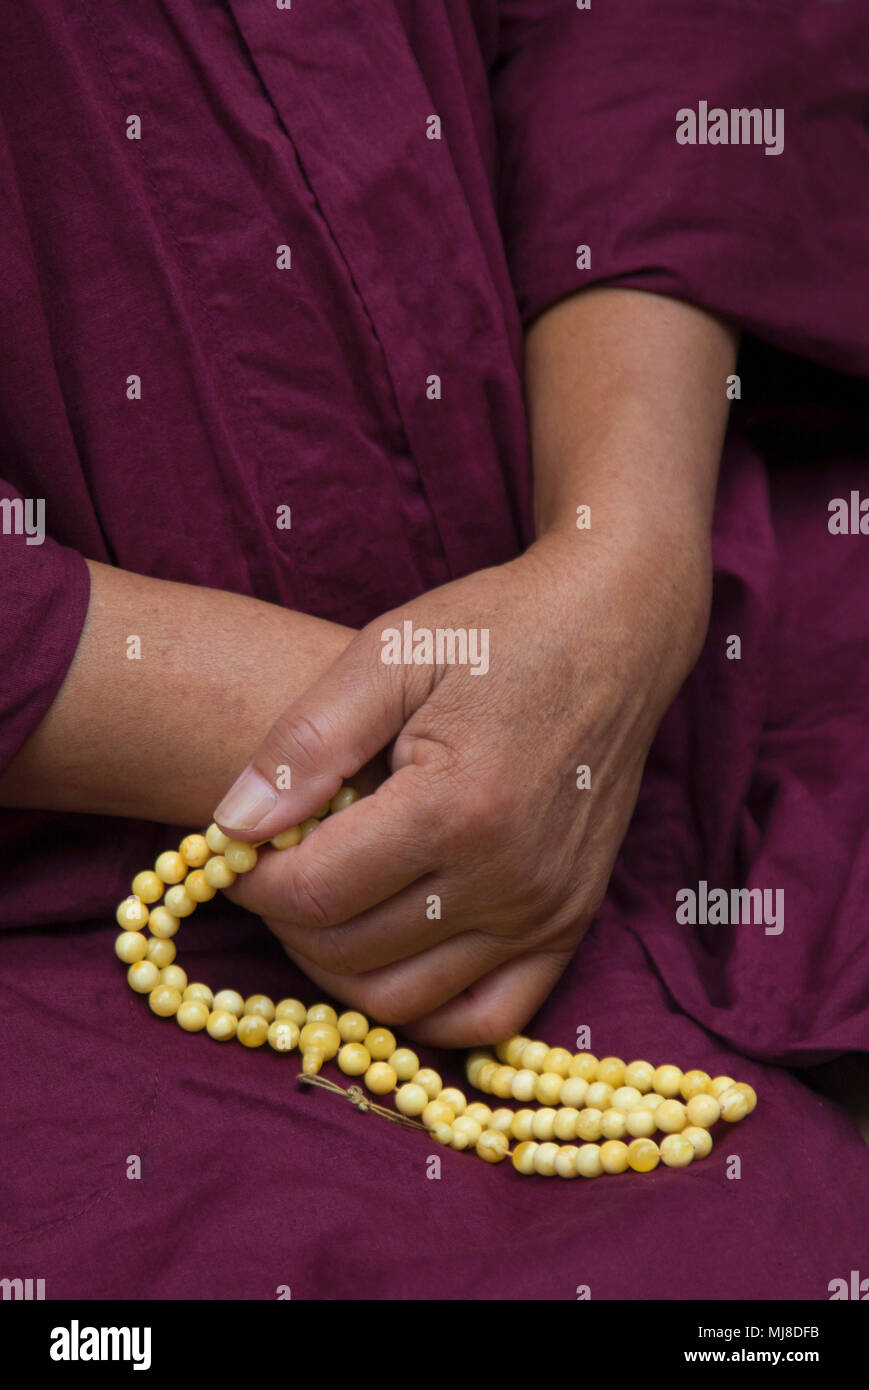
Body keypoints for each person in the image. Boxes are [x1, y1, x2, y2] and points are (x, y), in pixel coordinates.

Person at [0, 0, 866, 1301]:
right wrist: (349, 734)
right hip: (74, 888)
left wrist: (622, 558)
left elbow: (655, 44)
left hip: (678, 523)